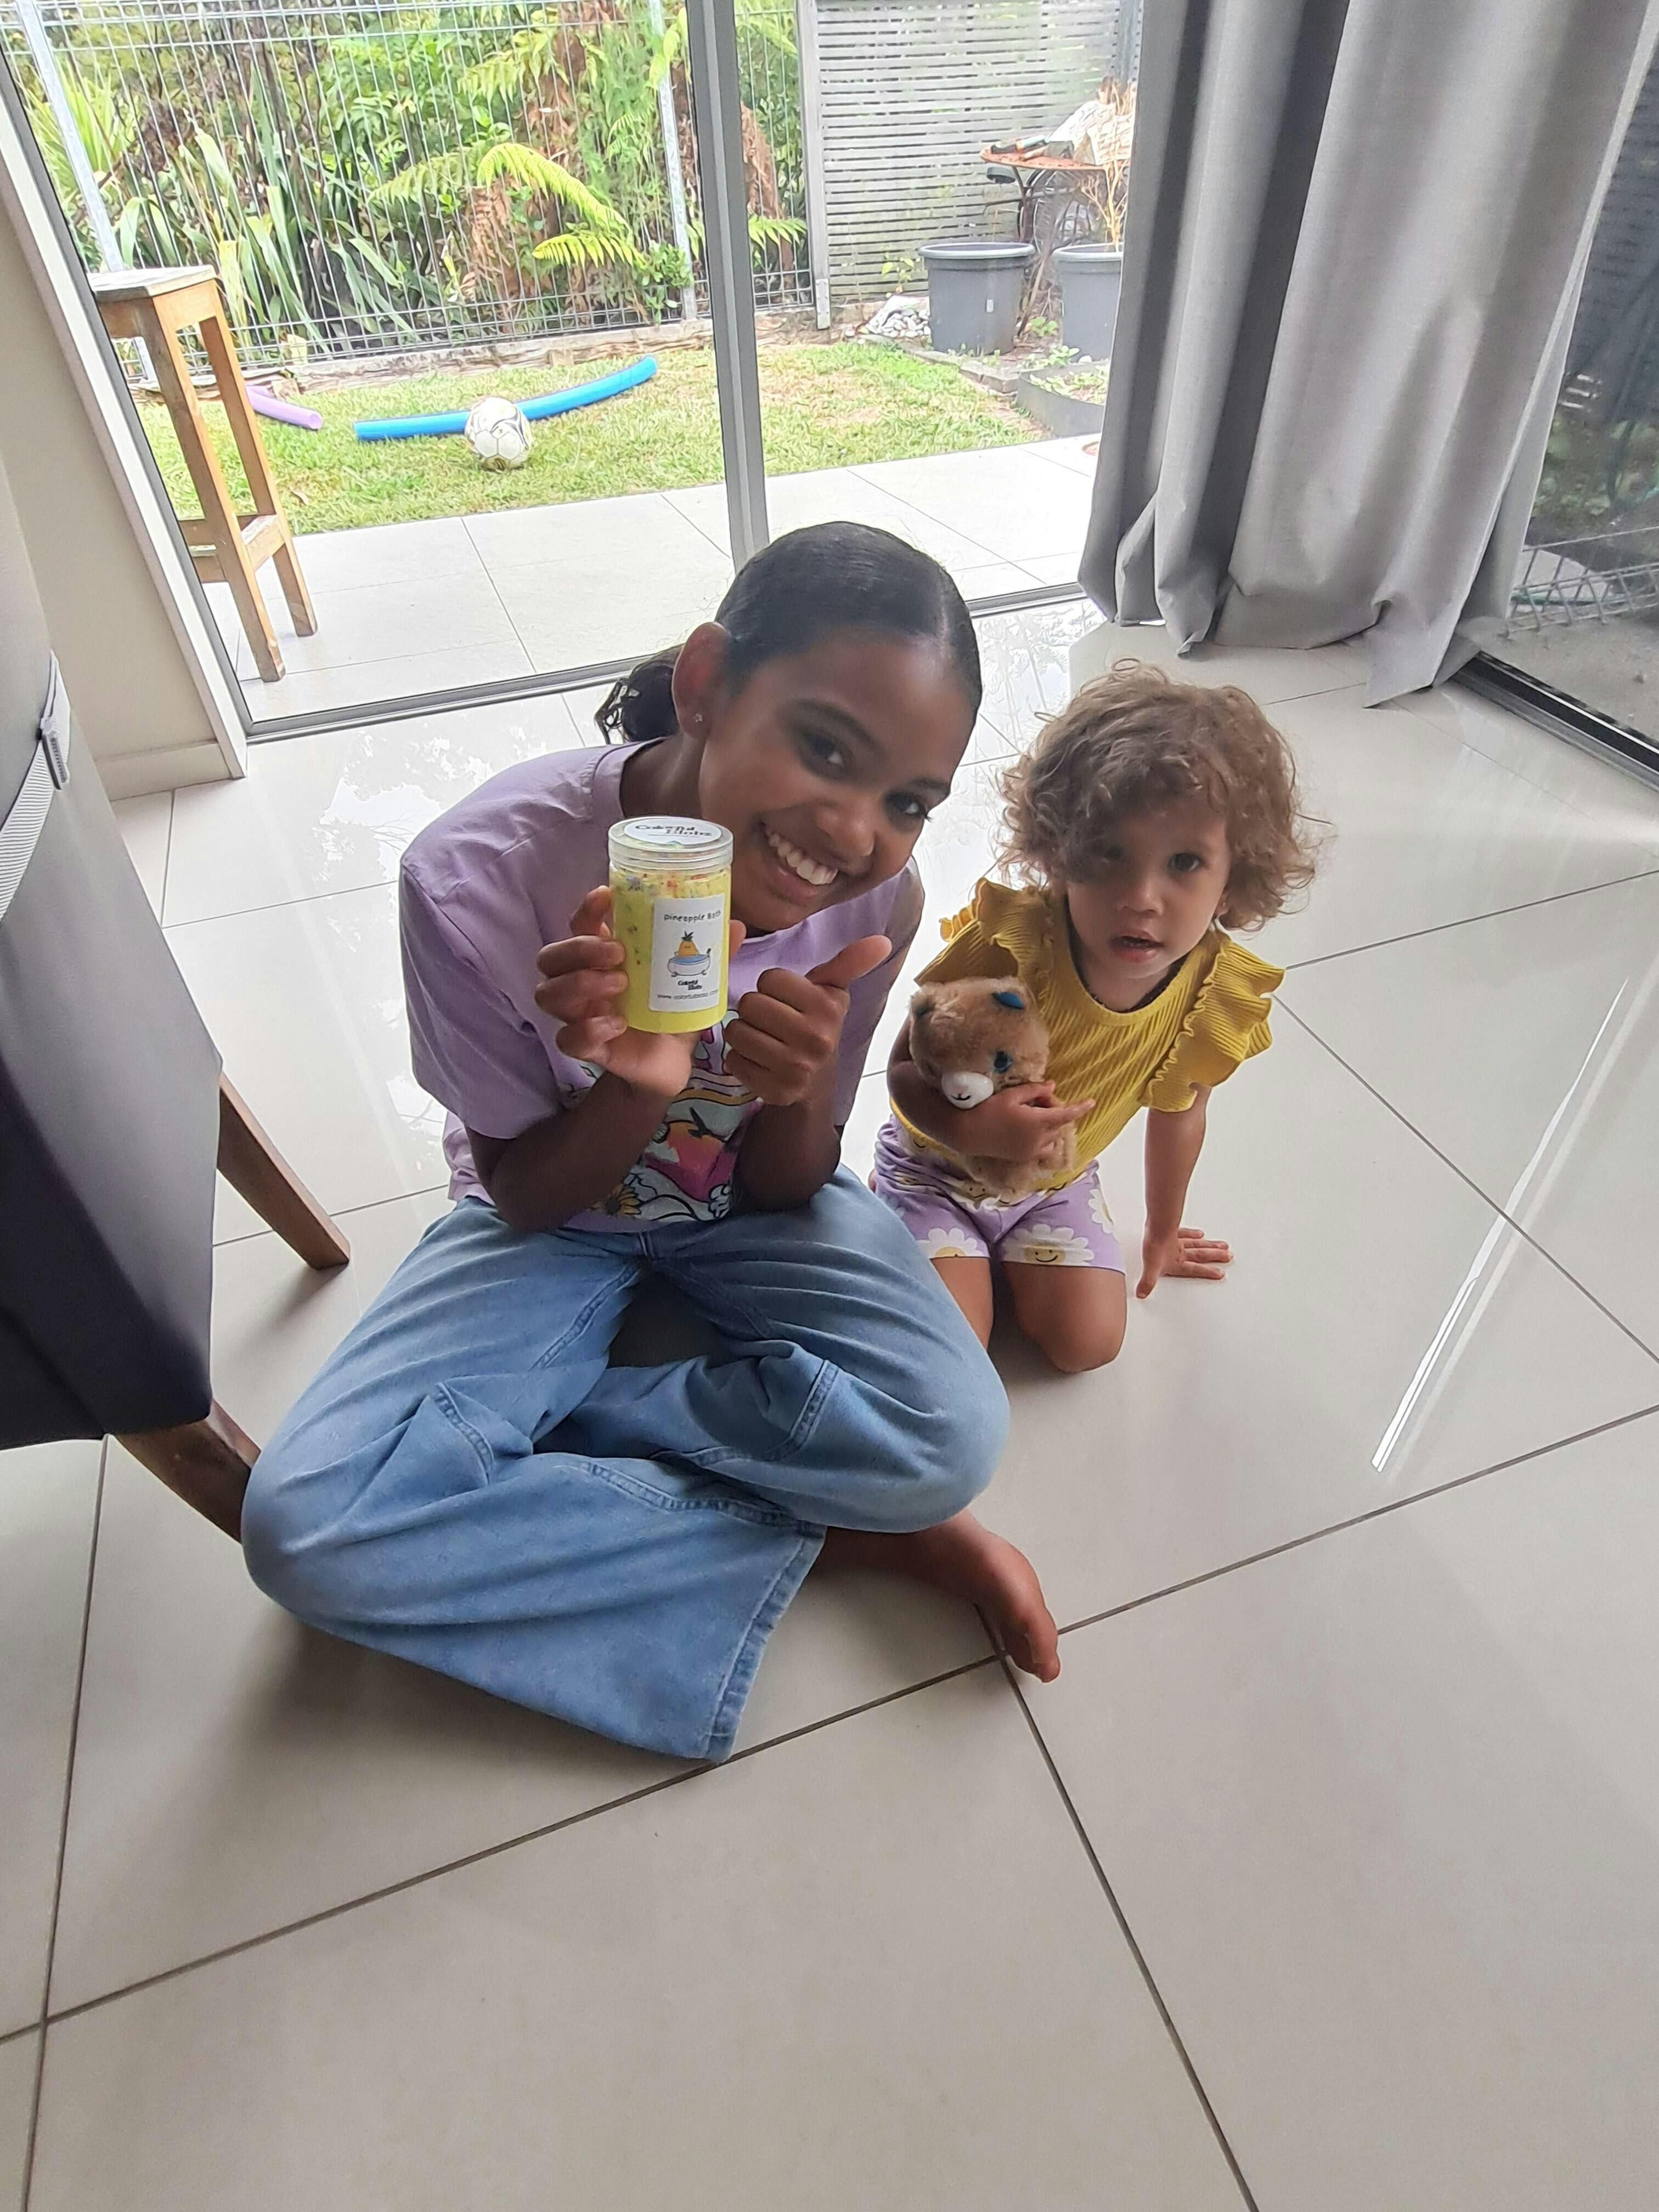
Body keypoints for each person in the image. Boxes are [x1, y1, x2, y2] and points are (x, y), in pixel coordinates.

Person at [241, 523, 1059, 1764]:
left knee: (953, 1435)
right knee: (305, 1530)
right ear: (707, 683)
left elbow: (790, 1185)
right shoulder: (473, 881)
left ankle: (549, 1434)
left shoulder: (875, 902)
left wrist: (795, 1093)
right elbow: (524, 1198)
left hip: (748, 1215)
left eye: (906, 801)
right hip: (552, 1225)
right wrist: (634, 1087)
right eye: (825, 748)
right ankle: (837, 1528)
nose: (853, 832)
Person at [876, 660, 1321, 1373]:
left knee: (1089, 1346)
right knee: (952, 1351)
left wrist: (1162, 1232)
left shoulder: (1211, 994)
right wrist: (972, 1129)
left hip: (1053, 1185)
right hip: (936, 1170)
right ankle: (896, 1216)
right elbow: (901, 1069)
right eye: (1110, 855)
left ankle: (985, 1261)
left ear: (1235, 876)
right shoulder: (1011, 945)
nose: (1141, 896)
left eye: (1185, 863)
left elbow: (1181, 1115)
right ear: (1059, 853)